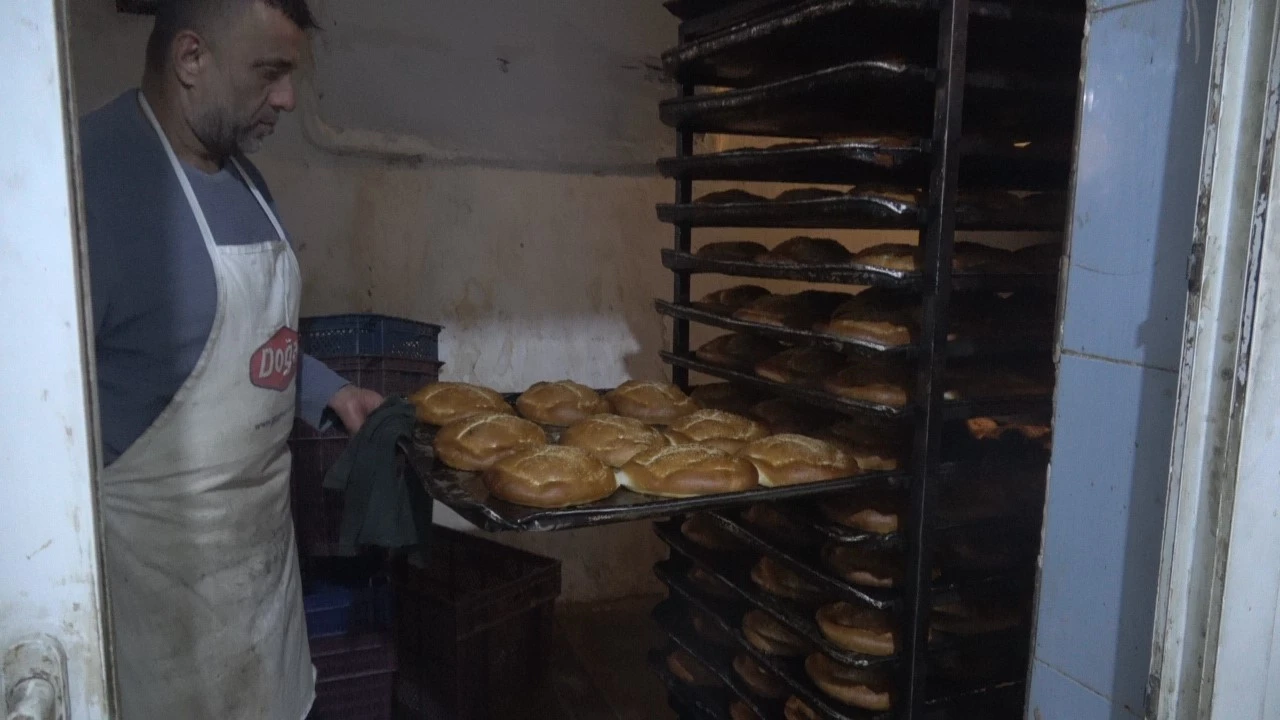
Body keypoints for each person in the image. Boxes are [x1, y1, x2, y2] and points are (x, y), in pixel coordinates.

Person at [79, 0, 379, 717]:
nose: (288, 98)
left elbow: (247, 342)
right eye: (269, 72)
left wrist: (328, 391)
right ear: (192, 58)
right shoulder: (82, 186)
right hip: (157, 633)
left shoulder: (246, 182)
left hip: (262, 604)